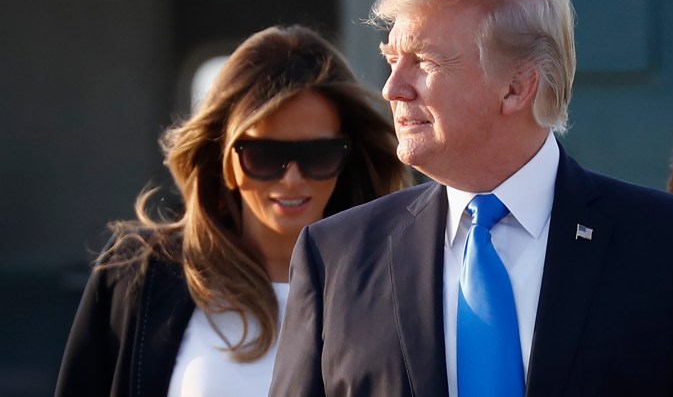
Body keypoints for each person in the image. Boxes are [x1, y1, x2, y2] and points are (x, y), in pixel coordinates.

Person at [270, 0, 673, 397]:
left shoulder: (670, 244)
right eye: (393, 61)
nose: (392, 88)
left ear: (515, 87)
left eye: (424, 62)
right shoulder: (336, 256)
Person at [54, 24, 410, 397]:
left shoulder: (398, 282)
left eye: (318, 156)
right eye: (263, 155)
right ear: (224, 159)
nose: (291, 179)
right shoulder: (140, 274)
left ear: (347, 159)